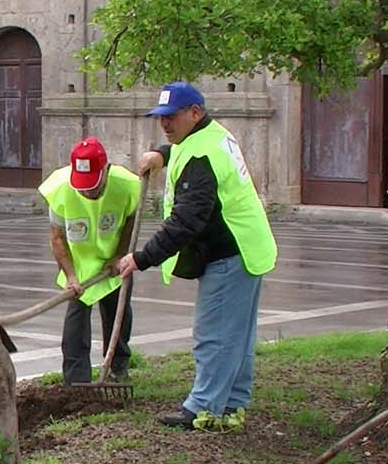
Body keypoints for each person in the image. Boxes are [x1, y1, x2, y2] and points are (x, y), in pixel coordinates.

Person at [117, 81, 277, 428]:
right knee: (238, 334)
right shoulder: (210, 136)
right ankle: (232, 404)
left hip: (229, 253)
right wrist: (161, 153)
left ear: (195, 112)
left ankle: (202, 409)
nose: (165, 125)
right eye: (161, 118)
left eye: (171, 117)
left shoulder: (201, 157)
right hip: (247, 244)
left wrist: (141, 258)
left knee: (214, 334)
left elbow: (185, 223)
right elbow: (183, 149)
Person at [38, 137, 142, 385]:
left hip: (113, 261)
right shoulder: (61, 189)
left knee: (119, 313)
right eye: (82, 186)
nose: (87, 191)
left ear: (106, 171)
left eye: (93, 185)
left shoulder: (127, 185)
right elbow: (57, 237)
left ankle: (118, 367)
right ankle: (77, 380)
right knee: (76, 321)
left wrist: (119, 255)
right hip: (80, 264)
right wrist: (71, 276)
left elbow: (130, 222)